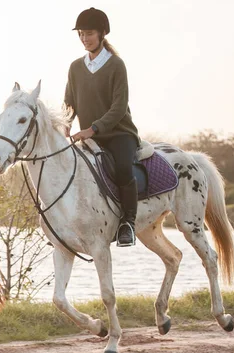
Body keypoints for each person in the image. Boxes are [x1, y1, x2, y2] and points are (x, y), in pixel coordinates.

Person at [63, 7, 140, 247]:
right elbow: (69, 103)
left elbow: (119, 108)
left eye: (89, 34)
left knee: (124, 169)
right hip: (90, 136)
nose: (84, 39)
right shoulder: (76, 67)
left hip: (119, 134)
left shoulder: (117, 65)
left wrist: (92, 129)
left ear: (102, 33)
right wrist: (65, 124)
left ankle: (128, 223)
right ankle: (68, 224)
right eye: (81, 35)